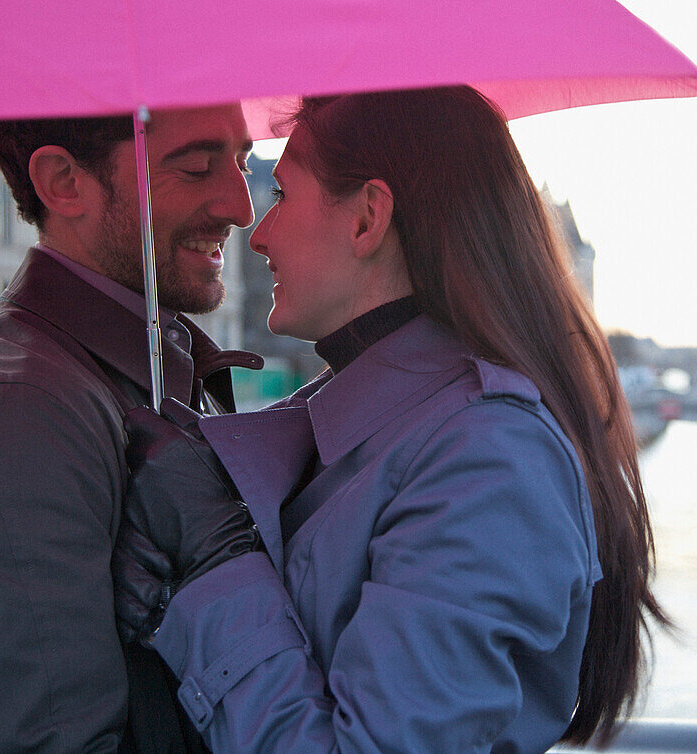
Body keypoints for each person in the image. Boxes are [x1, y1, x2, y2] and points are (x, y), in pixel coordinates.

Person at [113, 86, 668, 752]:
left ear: (367, 219)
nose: (257, 233)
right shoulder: (423, 432)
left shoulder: (486, 460)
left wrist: (211, 567)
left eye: (282, 196)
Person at [0, 104, 261, 752]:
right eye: (198, 167)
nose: (241, 204)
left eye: (242, 162)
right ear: (64, 182)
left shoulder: (143, 370)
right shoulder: (9, 420)